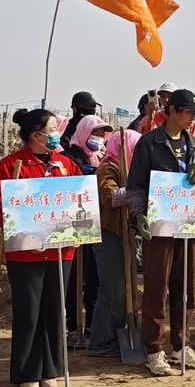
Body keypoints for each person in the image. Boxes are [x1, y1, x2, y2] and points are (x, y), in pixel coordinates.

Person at [0, 108, 84, 387]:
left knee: (55, 308)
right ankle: (27, 372)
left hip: (61, 251)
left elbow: (81, 199)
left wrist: (80, 228)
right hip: (25, 252)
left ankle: (51, 369)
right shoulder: (11, 166)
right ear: (35, 135)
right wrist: (24, 226)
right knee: (28, 310)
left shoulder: (66, 165)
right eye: (51, 130)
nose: (56, 135)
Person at [127, 89, 195, 376]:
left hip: (188, 225)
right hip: (159, 227)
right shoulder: (150, 143)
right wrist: (138, 213)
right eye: (188, 112)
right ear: (172, 110)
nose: (192, 117)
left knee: (185, 288)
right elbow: (136, 185)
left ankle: (181, 345)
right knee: (156, 288)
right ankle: (154, 350)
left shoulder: (193, 144)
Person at [85, 127, 140, 357]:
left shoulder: (130, 169)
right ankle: (101, 341)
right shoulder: (108, 167)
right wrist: (135, 190)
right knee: (112, 289)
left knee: (124, 288)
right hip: (109, 234)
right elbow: (109, 197)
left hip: (124, 233)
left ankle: (116, 335)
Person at [60, 114, 114, 347]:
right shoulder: (69, 157)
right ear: (83, 133)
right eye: (95, 133)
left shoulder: (102, 157)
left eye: (102, 134)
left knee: (94, 276)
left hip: (96, 223)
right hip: (74, 224)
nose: (99, 138)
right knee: (74, 278)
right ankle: (73, 325)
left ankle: (92, 322)